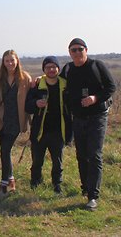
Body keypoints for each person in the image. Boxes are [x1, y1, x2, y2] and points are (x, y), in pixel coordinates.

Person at [60, 38, 116, 209]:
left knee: (95, 154)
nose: (77, 53)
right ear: (69, 52)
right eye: (73, 50)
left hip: (97, 116)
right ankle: (85, 188)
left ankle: (93, 196)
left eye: (80, 49)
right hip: (78, 117)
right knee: (81, 154)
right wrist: (40, 79)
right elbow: (56, 82)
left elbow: (111, 87)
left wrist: (95, 98)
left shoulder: (96, 66)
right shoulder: (68, 69)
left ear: (86, 50)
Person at [25, 56, 72, 194]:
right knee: (37, 160)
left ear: (58, 68)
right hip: (40, 130)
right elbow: (27, 107)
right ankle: (35, 183)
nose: (51, 69)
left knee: (58, 161)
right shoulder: (38, 85)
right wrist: (35, 103)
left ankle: (57, 184)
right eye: (48, 67)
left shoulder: (65, 85)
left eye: (54, 67)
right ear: (44, 70)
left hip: (59, 130)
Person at [0, 49, 31, 195]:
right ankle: (11, 181)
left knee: (4, 150)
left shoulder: (25, 78)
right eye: (7, 60)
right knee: (5, 151)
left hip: (16, 120)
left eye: (12, 60)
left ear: (17, 61)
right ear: (3, 63)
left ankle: (4, 185)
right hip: (0, 119)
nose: (10, 63)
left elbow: (30, 99)